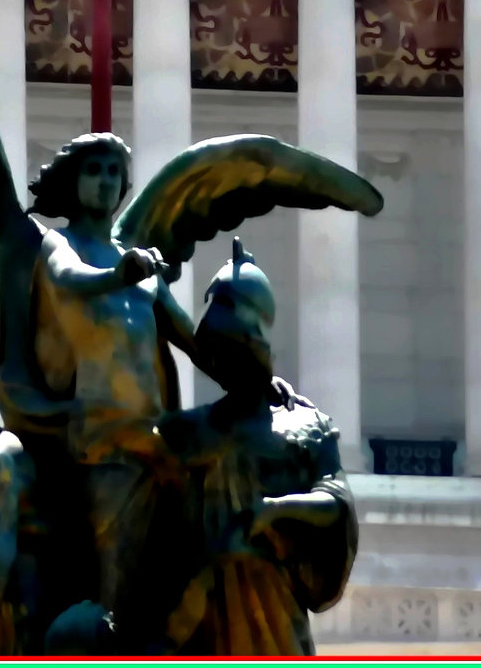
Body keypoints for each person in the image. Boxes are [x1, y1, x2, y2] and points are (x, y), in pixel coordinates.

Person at [27, 133, 199, 621]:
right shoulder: (59, 245)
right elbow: (70, 279)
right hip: (100, 443)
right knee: (115, 588)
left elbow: (191, 339)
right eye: (93, 170)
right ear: (72, 180)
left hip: (155, 442)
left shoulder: (143, 267)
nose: (104, 181)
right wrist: (117, 276)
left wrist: (254, 377)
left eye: (112, 172)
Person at [159, 241, 358, 655]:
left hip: (274, 617)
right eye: (218, 351)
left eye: (234, 347)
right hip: (204, 620)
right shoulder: (189, 431)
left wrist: (276, 509)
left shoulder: (307, 425)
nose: (223, 361)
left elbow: (336, 502)